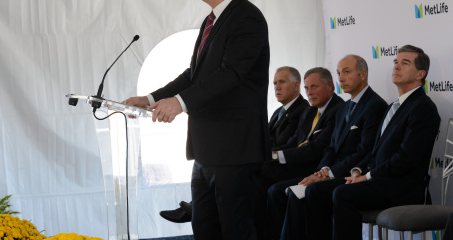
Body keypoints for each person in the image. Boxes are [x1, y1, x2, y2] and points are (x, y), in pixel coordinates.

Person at [125, 0, 270, 240]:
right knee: (204, 230)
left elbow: (231, 74)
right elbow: (195, 74)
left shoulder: (247, 18)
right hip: (206, 151)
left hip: (234, 152)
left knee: (236, 232)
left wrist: (179, 103)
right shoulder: (212, 20)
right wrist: (152, 98)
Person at [160, 66, 309, 224]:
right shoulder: (279, 111)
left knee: (235, 171)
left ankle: (197, 209)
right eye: (274, 83)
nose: (277, 87)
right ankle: (198, 207)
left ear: (296, 85)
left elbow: (287, 143)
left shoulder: (303, 110)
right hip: (264, 159)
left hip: (278, 166)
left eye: (282, 82)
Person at [329, 45, 441, 240]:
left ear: (420, 74)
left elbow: (406, 159)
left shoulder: (423, 108)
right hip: (382, 181)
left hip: (403, 188)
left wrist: (368, 176)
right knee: (325, 189)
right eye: (395, 62)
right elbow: (375, 151)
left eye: (405, 63)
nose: (396, 67)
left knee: (342, 194)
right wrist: (358, 172)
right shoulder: (394, 106)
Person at [277, 55, 388, 240]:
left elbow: (364, 151)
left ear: (363, 74)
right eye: (338, 73)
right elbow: (331, 147)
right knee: (297, 192)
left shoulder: (375, 105)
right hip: (333, 171)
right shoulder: (344, 108)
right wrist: (322, 170)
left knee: (312, 191)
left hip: (354, 174)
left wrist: (329, 174)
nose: (341, 78)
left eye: (346, 72)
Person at [263, 67, 344, 240]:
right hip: (298, 164)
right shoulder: (310, 111)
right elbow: (294, 141)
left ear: (330, 86)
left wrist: (275, 157)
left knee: (267, 180)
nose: (309, 92)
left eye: (314, 87)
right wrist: (269, 154)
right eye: (307, 88)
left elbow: (317, 148)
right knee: (256, 170)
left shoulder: (338, 110)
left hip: (314, 168)